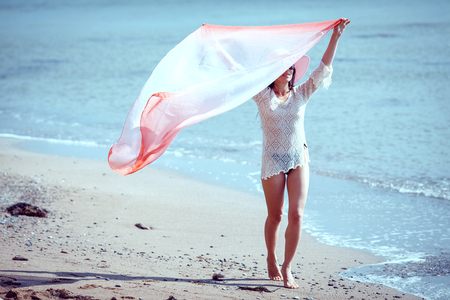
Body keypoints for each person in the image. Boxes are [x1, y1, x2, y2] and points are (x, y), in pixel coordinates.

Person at [252, 18, 350, 289]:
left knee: (296, 215)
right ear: (272, 72)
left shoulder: (301, 94)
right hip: (272, 159)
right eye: (283, 67)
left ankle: (287, 267)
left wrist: (336, 37)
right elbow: (240, 73)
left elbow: (323, 68)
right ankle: (271, 257)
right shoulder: (261, 95)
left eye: (291, 67)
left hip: (298, 159)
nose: (289, 70)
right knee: (276, 215)